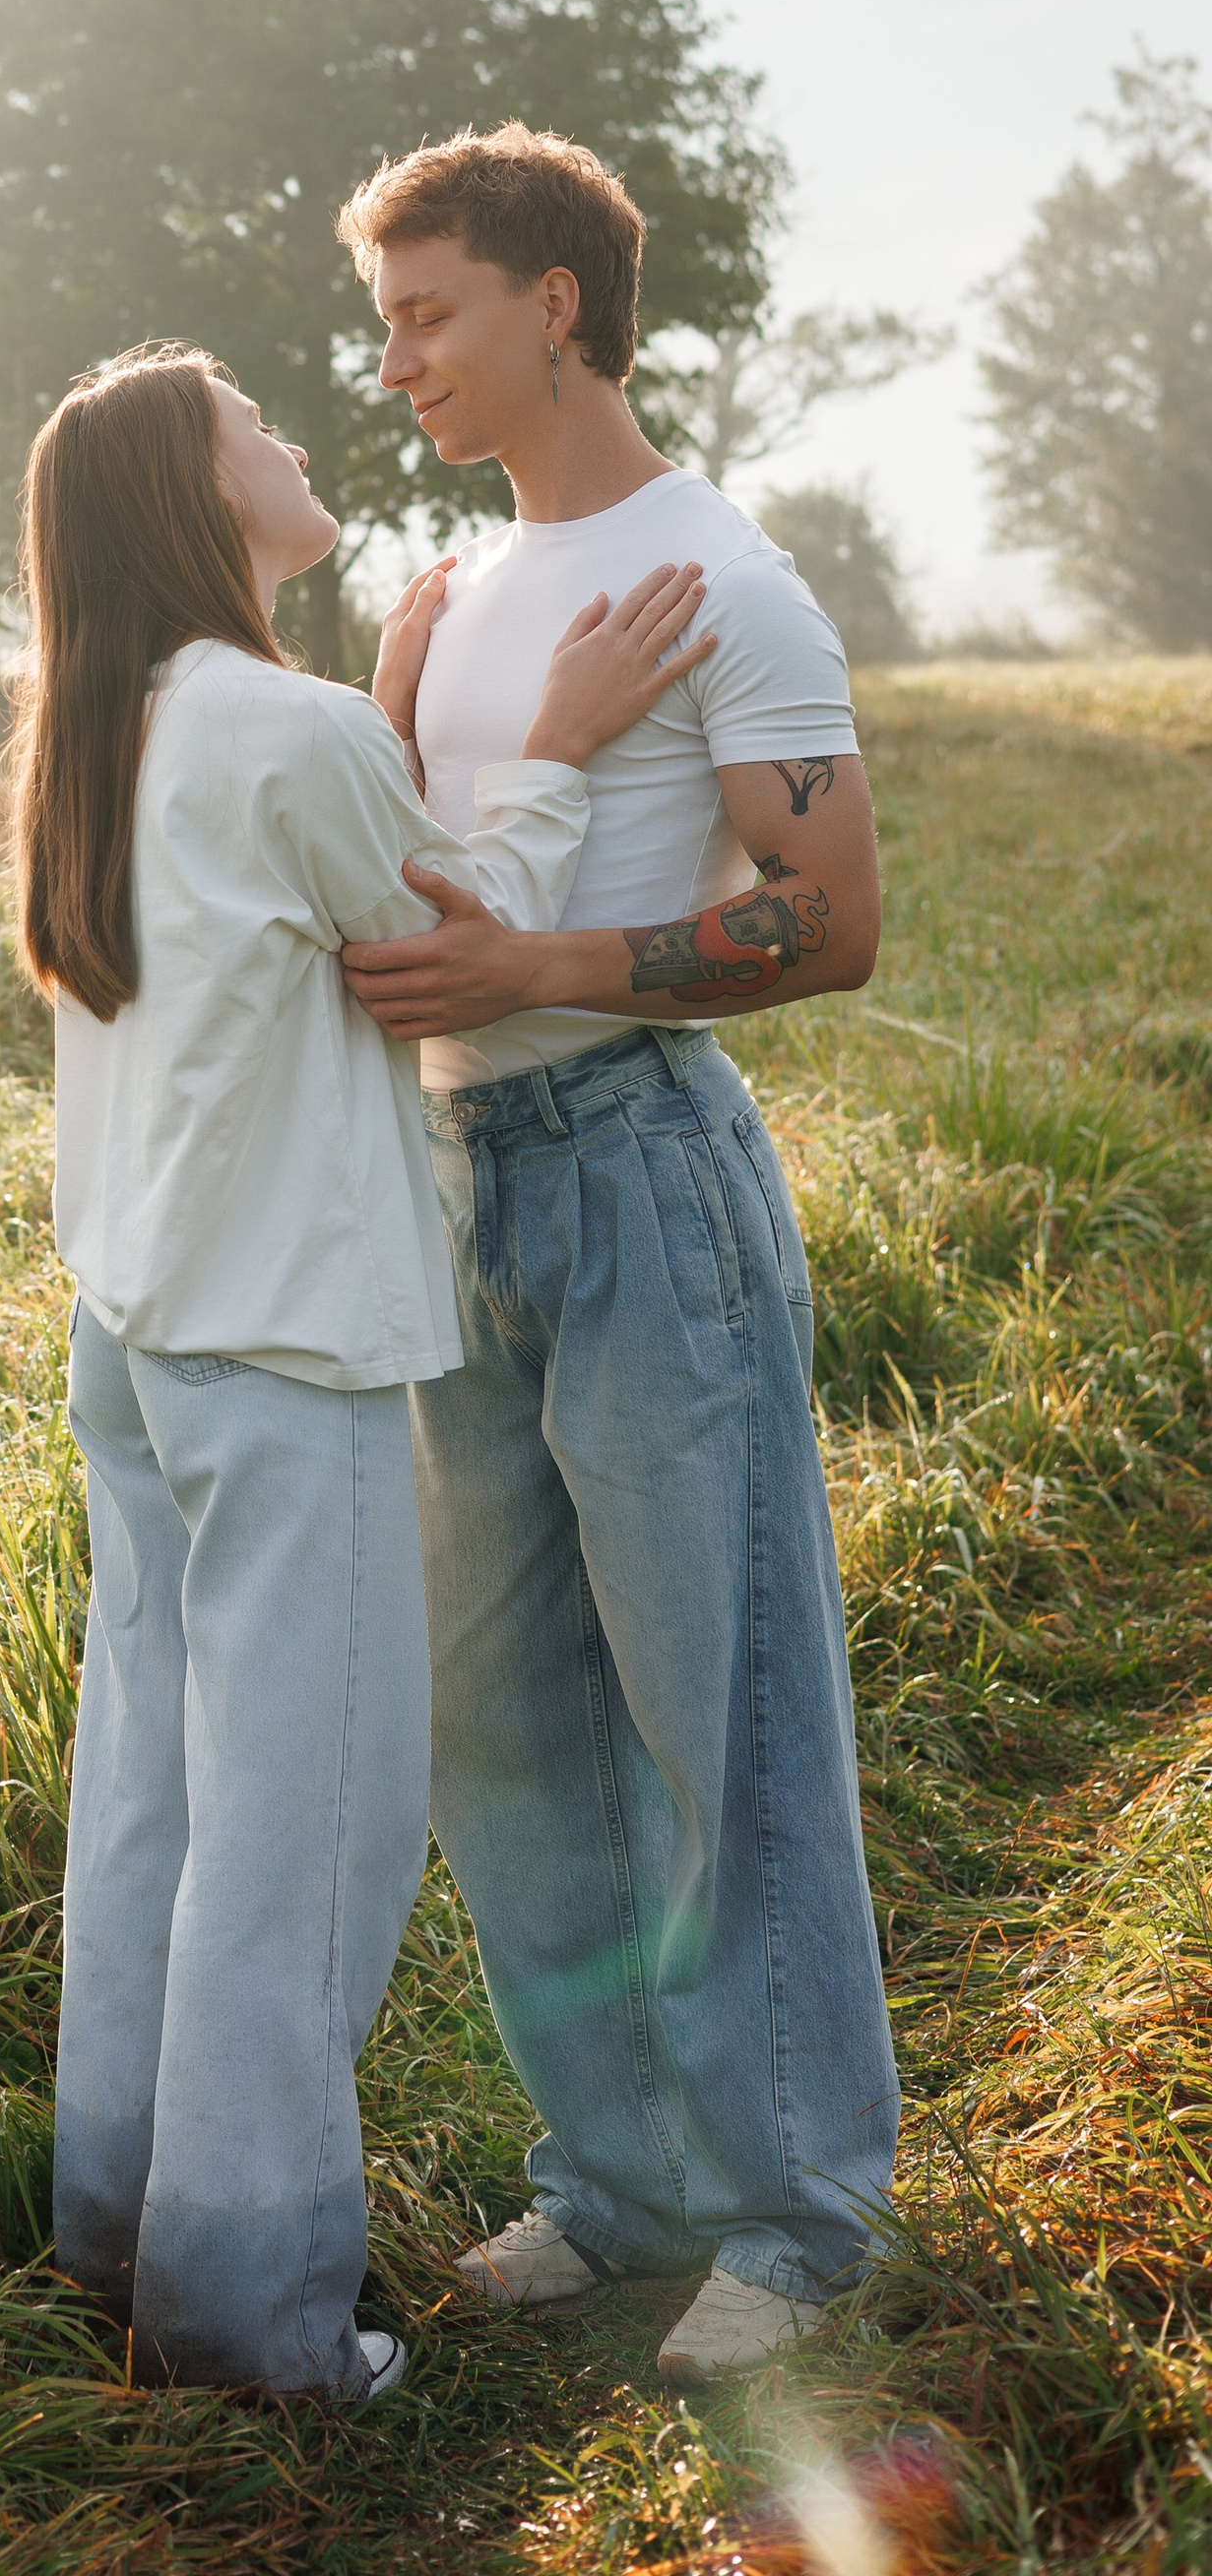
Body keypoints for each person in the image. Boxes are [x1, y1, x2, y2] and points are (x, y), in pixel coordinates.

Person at [12, 339, 713, 2402]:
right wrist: (561, 737)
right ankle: (252, 2323)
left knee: (147, 1798)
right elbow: (446, 934)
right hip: (282, 1346)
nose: (296, 435)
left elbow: (314, 863)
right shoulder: (283, 726)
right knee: (300, 1841)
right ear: (193, 493)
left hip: (138, 1342)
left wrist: (389, 717)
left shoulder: (104, 728)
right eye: (254, 426)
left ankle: (119, 2225)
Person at [334, 122, 899, 2389]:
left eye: (427, 314)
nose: (398, 368)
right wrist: (385, 716)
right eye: (379, 328)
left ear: (552, 300)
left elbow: (831, 925)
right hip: (449, 1195)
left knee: (719, 1706)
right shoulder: (455, 597)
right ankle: (613, 2178)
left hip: (641, 1171)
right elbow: (400, 888)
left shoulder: (718, 584)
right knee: (507, 1722)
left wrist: (540, 964)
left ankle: (793, 2210)